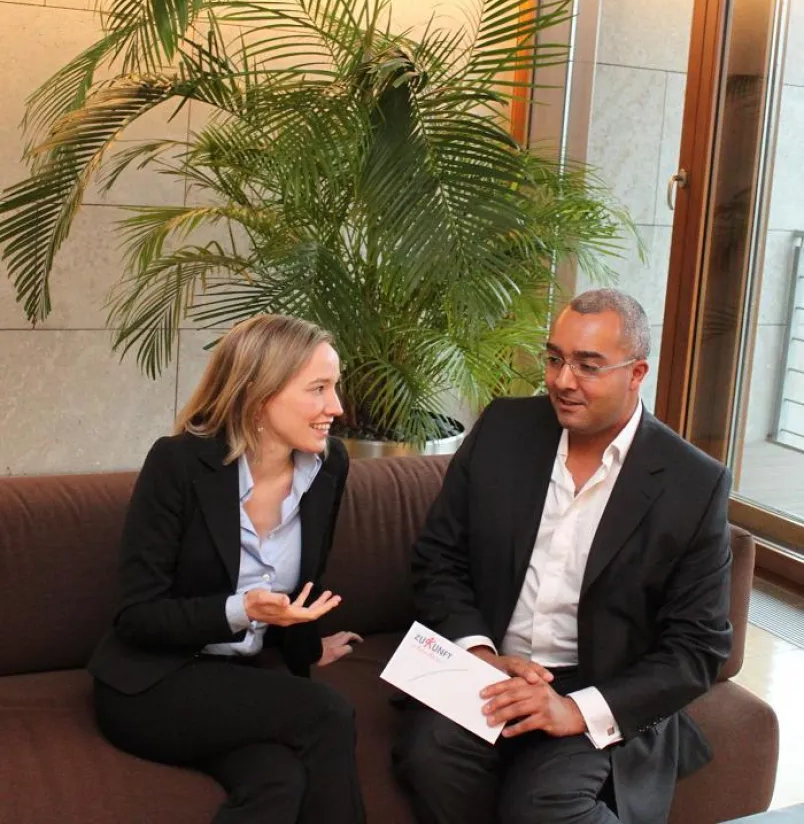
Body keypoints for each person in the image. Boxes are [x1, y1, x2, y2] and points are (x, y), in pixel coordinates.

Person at [392, 289, 732, 824]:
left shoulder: (693, 483)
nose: (561, 380)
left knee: (543, 806)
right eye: (555, 358)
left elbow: (698, 647)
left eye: (587, 365)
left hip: (598, 684)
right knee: (430, 756)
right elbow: (440, 557)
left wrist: (574, 710)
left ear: (636, 372)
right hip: (491, 669)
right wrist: (478, 654)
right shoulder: (504, 429)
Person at [89, 314, 366, 824]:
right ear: (261, 396)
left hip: (235, 680)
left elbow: (309, 579)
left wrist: (304, 642)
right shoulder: (178, 465)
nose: (337, 408)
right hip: (154, 682)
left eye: (335, 387)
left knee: (279, 782)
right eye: (319, 389)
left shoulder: (329, 464)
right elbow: (136, 616)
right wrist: (241, 611)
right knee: (328, 712)